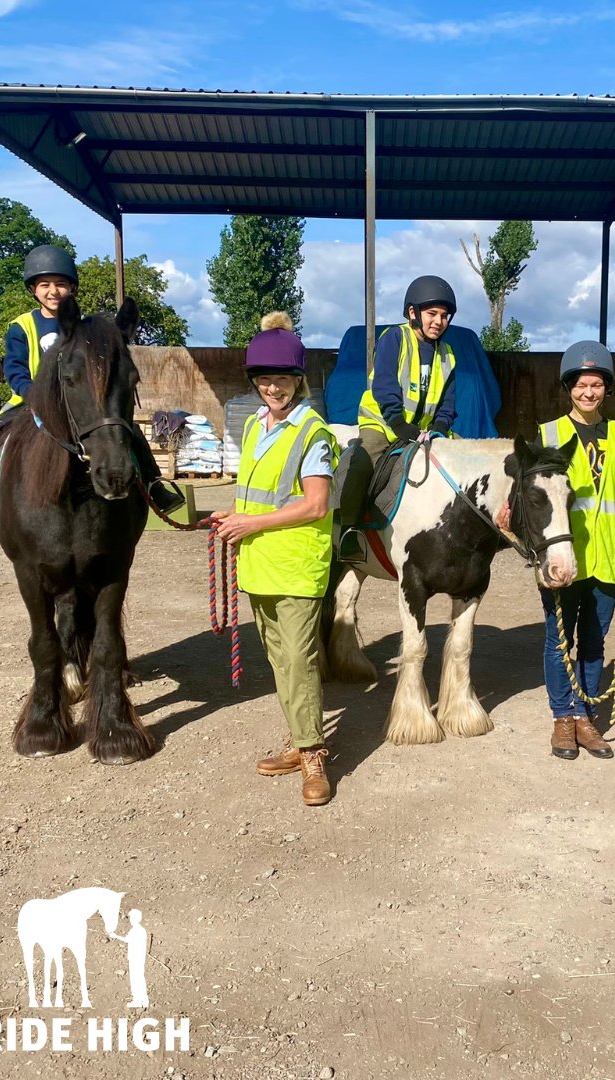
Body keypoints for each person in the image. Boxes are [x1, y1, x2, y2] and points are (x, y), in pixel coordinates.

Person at [0, 244, 183, 542]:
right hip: (29, 401)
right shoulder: (22, 326)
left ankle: (154, 485)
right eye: (45, 285)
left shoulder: (88, 327)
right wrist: (33, 393)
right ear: (33, 289)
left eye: (60, 284)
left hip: (82, 403)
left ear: (71, 288)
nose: (53, 291)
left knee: (130, 431)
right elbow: (15, 368)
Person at [212, 312, 339, 807]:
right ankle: (300, 740)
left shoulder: (314, 433)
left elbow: (315, 504)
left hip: (296, 565)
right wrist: (235, 513)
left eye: (281, 379)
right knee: (280, 662)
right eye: (264, 379)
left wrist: (251, 524)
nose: (273, 388)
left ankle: (312, 754)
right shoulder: (253, 428)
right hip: (259, 561)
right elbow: (258, 494)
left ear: (297, 381)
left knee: (300, 661)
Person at [531, 341, 615, 761]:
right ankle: (562, 718)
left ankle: (584, 716)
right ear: (568, 388)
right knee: (559, 642)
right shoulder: (549, 434)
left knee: (594, 643)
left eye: (596, 385)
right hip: (565, 557)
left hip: (610, 557)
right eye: (581, 385)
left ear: (606, 389)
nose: (589, 392)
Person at [336, 275, 460, 561]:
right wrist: (400, 425)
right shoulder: (395, 338)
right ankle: (349, 529)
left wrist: (440, 428)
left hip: (427, 431)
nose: (438, 321)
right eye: (432, 314)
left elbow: (448, 402)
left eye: (444, 316)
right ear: (413, 313)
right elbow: (385, 386)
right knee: (362, 462)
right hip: (383, 425)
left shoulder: (449, 354)